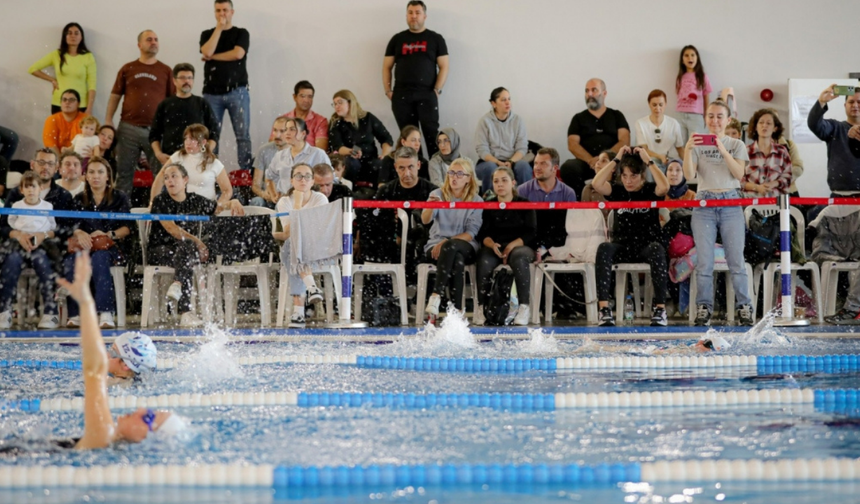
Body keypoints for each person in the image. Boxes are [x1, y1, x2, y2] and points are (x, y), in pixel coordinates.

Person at [58, 252, 181, 449]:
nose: (141, 409)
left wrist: (86, 302)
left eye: (148, 417)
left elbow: (93, 370)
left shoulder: (102, 438)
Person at [683, 100, 753, 326]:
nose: (714, 121)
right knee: (704, 261)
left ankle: (744, 307)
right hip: (704, 202)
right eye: (711, 116)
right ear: (705, 118)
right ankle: (703, 307)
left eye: (719, 117)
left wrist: (721, 148)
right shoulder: (697, 144)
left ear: (728, 119)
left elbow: (739, 175)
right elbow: (689, 175)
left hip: (730, 201)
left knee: (736, 260)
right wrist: (687, 151)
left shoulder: (736, 144)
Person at [148, 162, 243, 327]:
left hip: (185, 252)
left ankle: (178, 285)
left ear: (185, 180)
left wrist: (233, 202)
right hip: (160, 249)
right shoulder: (160, 201)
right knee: (190, 245)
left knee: (188, 248)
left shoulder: (195, 200)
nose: (170, 181)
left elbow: (217, 208)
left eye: (174, 176)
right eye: (166, 178)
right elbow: (172, 229)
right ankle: (185, 312)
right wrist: (198, 242)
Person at [591, 147, 670, 327]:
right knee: (604, 248)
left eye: (633, 176)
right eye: (624, 176)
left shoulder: (651, 190)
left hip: (645, 246)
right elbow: (596, 183)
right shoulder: (617, 191)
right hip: (622, 246)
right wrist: (616, 159)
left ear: (642, 175)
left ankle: (660, 309)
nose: (628, 181)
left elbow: (665, 186)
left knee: (657, 248)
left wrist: (649, 160)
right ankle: (604, 310)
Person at [0, 148, 73, 330]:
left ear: (57, 168)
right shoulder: (16, 195)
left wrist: (44, 235)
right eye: (41, 162)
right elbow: (3, 225)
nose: (45, 167)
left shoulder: (63, 196)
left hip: (46, 248)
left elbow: (65, 227)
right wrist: (17, 234)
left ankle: (50, 311)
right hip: (17, 245)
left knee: (43, 261)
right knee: (11, 260)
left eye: (50, 163)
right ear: (32, 164)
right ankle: (4, 311)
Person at [63, 156, 130, 329]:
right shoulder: (78, 199)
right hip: (85, 247)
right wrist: (79, 233)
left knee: (100, 258)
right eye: (91, 172)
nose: (96, 176)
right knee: (72, 260)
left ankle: (106, 312)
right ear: (85, 176)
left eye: (100, 172)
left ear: (108, 176)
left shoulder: (119, 197)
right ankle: (75, 312)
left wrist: (108, 234)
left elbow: (128, 228)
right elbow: (71, 226)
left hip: (111, 248)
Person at [105, 30, 175, 195]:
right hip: (128, 128)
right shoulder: (128, 68)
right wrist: (108, 120)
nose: (153, 42)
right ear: (139, 45)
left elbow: (172, 102)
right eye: (149, 39)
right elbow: (115, 95)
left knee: (162, 174)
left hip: (156, 131)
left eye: (156, 40)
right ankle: (121, 216)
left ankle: (159, 214)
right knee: (124, 174)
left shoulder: (165, 70)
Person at [383, 0, 449, 158]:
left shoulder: (436, 39)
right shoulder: (397, 39)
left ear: (424, 15)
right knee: (409, 139)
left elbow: (444, 66)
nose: (414, 16)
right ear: (406, 16)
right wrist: (388, 90)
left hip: (427, 94)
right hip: (401, 95)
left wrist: (437, 90)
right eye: (410, 13)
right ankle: (414, 172)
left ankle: (434, 174)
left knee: (432, 136)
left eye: (417, 12)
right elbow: (386, 67)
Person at [421, 157, 483, 321]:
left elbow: (470, 233)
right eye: (451, 173)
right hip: (436, 246)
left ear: (468, 178)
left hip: (465, 244)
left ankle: (436, 295)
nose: (454, 177)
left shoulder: (477, 200)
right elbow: (425, 220)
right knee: (457, 259)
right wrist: (431, 207)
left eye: (459, 174)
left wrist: (447, 242)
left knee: (452, 249)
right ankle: (457, 313)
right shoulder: (437, 194)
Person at [474, 166, 536, 326]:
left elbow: (531, 232)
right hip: (495, 246)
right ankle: (481, 307)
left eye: (504, 180)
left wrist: (512, 246)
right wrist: (491, 244)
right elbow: (482, 233)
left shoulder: (524, 204)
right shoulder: (488, 206)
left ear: (513, 183)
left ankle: (524, 306)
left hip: (520, 245)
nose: (500, 184)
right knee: (483, 259)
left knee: (519, 257)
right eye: (496, 181)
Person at [272, 163, 328, 326]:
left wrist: (295, 228)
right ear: (292, 180)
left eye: (307, 176)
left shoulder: (320, 199)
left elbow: (318, 231)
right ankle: (311, 287)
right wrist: (297, 204)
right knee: (293, 245)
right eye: (298, 176)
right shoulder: (283, 202)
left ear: (312, 182)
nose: (303, 179)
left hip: (318, 248)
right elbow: (278, 233)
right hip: (292, 247)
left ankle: (298, 312)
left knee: (295, 245)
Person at [367, 146, 437, 274]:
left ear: (418, 165)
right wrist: (396, 236)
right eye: (402, 168)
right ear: (395, 168)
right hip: (393, 240)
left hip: (422, 241)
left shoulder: (432, 191)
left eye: (410, 167)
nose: (407, 173)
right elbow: (377, 221)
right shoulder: (386, 191)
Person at [200, 0, 252, 171]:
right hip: (211, 94)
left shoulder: (241, 33)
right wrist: (219, 29)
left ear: (232, 12)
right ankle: (213, 171)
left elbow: (238, 54)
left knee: (242, 134)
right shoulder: (207, 34)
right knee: (212, 136)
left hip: (238, 91)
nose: (222, 14)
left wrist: (213, 57)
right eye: (218, 10)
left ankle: (245, 171)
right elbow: (206, 51)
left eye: (225, 10)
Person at [560, 79, 630, 200]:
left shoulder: (617, 115)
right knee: (568, 167)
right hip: (587, 163)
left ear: (604, 93)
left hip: (613, 162)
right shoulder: (578, 118)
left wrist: (606, 158)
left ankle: (621, 204)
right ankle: (580, 203)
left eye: (594, 90)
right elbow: (572, 144)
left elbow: (625, 141)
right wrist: (591, 160)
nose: (590, 94)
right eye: (587, 91)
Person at [150, 63, 220, 169]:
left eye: (190, 78)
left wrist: (206, 152)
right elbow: (154, 134)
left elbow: (214, 132)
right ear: (174, 81)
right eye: (182, 78)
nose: (187, 81)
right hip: (171, 159)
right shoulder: (165, 105)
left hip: (197, 161)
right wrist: (158, 154)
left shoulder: (202, 103)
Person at [329, 89, 393, 197]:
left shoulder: (367, 118)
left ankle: (380, 196)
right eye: (334, 104)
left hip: (371, 158)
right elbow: (337, 147)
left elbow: (386, 138)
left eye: (340, 102)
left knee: (382, 163)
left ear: (350, 102)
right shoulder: (336, 123)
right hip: (349, 157)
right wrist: (351, 151)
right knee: (351, 163)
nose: (336, 106)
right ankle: (350, 195)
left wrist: (385, 155)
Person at [149, 124, 232, 206]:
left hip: (206, 209)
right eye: (186, 139)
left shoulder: (214, 163)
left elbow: (227, 190)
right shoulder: (178, 156)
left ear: (203, 142)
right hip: (184, 209)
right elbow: (160, 178)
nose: (187, 142)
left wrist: (218, 206)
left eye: (192, 139)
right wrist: (152, 203)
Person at [517, 147, 577, 253]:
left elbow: (570, 226)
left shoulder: (568, 193)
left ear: (555, 168)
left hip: (559, 244)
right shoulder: (522, 190)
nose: (537, 168)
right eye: (536, 163)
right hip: (530, 242)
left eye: (543, 164)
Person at [29, 22, 96, 115]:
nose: (73, 36)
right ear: (65, 36)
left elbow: (92, 85)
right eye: (69, 33)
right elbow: (33, 69)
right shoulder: (57, 55)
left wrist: (89, 108)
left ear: (81, 37)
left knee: (79, 130)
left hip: (80, 104)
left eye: (76, 33)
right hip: (59, 103)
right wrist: (52, 79)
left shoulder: (88, 56)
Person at [474, 87, 532, 194]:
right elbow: (482, 150)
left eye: (509, 99)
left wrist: (511, 161)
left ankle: (524, 204)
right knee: (491, 168)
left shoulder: (518, 121)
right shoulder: (484, 121)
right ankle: (490, 205)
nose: (508, 102)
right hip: (490, 162)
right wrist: (497, 162)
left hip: (513, 160)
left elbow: (522, 147)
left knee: (524, 167)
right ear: (493, 103)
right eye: (503, 100)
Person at [809, 203, 860, 324]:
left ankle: (852, 308)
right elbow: (818, 252)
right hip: (834, 255)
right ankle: (852, 309)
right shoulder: (826, 215)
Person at [806, 85, 860, 197]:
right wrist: (821, 102)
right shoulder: (835, 128)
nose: (855, 105)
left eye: (859, 102)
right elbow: (814, 124)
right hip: (839, 195)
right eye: (851, 102)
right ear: (845, 105)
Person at [266, 117, 331, 198]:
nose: (287, 133)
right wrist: (274, 196)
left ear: (303, 134)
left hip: (309, 203)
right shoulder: (280, 155)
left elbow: (331, 179)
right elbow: (269, 177)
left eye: (292, 129)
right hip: (285, 203)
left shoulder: (318, 154)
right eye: (285, 129)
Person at [742, 109, 792, 198]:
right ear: (755, 127)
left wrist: (774, 183)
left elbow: (788, 177)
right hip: (751, 204)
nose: (764, 125)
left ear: (775, 128)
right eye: (761, 122)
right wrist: (756, 187)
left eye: (769, 123)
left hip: (776, 203)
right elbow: (739, 181)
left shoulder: (782, 152)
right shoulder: (745, 151)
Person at [635, 89, 685, 170]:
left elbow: (680, 148)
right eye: (654, 105)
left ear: (665, 104)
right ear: (649, 105)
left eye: (661, 105)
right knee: (651, 164)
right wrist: (659, 156)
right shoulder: (640, 123)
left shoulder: (673, 123)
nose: (658, 108)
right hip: (650, 160)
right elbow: (643, 150)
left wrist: (688, 164)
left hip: (670, 160)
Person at [250, 117, 290, 208]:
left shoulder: (295, 152)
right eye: (275, 130)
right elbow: (256, 185)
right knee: (256, 202)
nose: (277, 135)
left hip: (286, 198)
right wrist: (265, 195)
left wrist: (283, 197)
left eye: (282, 131)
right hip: (266, 196)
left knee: (281, 206)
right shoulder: (264, 150)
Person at [675, 45, 712, 139]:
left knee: (696, 143)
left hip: (696, 116)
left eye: (692, 55)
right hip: (680, 114)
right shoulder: (680, 77)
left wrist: (706, 115)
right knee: (680, 143)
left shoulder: (702, 76)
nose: (690, 58)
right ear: (682, 60)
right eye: (686, 55)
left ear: (697, 58)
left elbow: (706, 97)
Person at [281, 81, 328, 151]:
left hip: (311, 161)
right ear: (294, 97)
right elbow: (274, 144)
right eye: (302, 96)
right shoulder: (283, 120)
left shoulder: (320, 121)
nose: (306, 100)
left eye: (310, 97)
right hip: (286, 159)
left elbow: (320, 151)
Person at [580, 149, 616, 214]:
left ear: (613, 167)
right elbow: (585, 215)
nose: (598, 163)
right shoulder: (588, 189)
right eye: (597, 160)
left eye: (603, 160)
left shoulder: (619, 187)